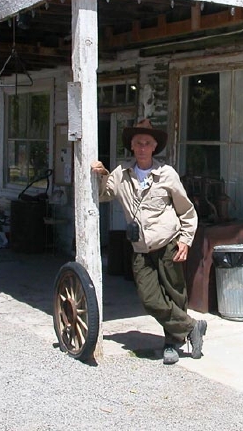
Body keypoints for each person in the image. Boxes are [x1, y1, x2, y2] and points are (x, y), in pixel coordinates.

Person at [91, 118, 207, 365]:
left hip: (168, 244)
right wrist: (100, 174)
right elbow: (103, 195)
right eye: (137, 143)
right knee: (149, 298)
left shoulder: (167, 175)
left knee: (175, 294)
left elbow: (186, 211)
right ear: (131, 147)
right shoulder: (120, 174)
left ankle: (172, 345)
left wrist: (185, 241)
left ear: (155, 147)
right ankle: (191, 327)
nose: (142, 147)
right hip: (140, 248)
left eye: (147, 143)